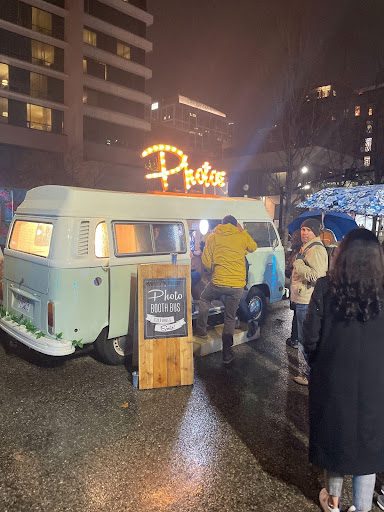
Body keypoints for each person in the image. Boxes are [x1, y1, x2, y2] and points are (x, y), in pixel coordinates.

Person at [303, 228, 384, 512]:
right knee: (368, 448)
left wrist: (317, 365)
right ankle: (362, 508)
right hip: (376, 385)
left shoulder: (326, 287)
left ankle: (334, 503)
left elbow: (310, 337)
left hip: (333, 380)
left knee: (336, 438)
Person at [194, 215, 257, 364]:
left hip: (218, 282)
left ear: (222, 224)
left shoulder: (213, 236)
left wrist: (211, 271)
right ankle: (227, 354)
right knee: (230, 317)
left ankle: (201, 330)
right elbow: (253, 247)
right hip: (237, 285)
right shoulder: (241, 236)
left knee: (204, 298)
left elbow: (206, 261)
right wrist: (243, 231)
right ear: (236, 225)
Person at [290, 218, 328, 385]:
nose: (304, 233)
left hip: (307, 299)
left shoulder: (316, 250)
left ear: (315, 232)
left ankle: (309, 375)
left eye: (308, 230)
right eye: (302, 229)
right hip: (303, 297)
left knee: (306, 339)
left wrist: (298, 263)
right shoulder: (308, 248)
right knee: (304, 337)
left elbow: (317, 277)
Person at [285, 229, 302, 349]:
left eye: (294, 239)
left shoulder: (300, 253)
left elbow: (292, 269)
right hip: (296, 286)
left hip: (299, 288)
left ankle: (295, 338)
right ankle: (295, 337)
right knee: (297, 313)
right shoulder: (297, 252)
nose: (291, 240)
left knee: (298, 313)